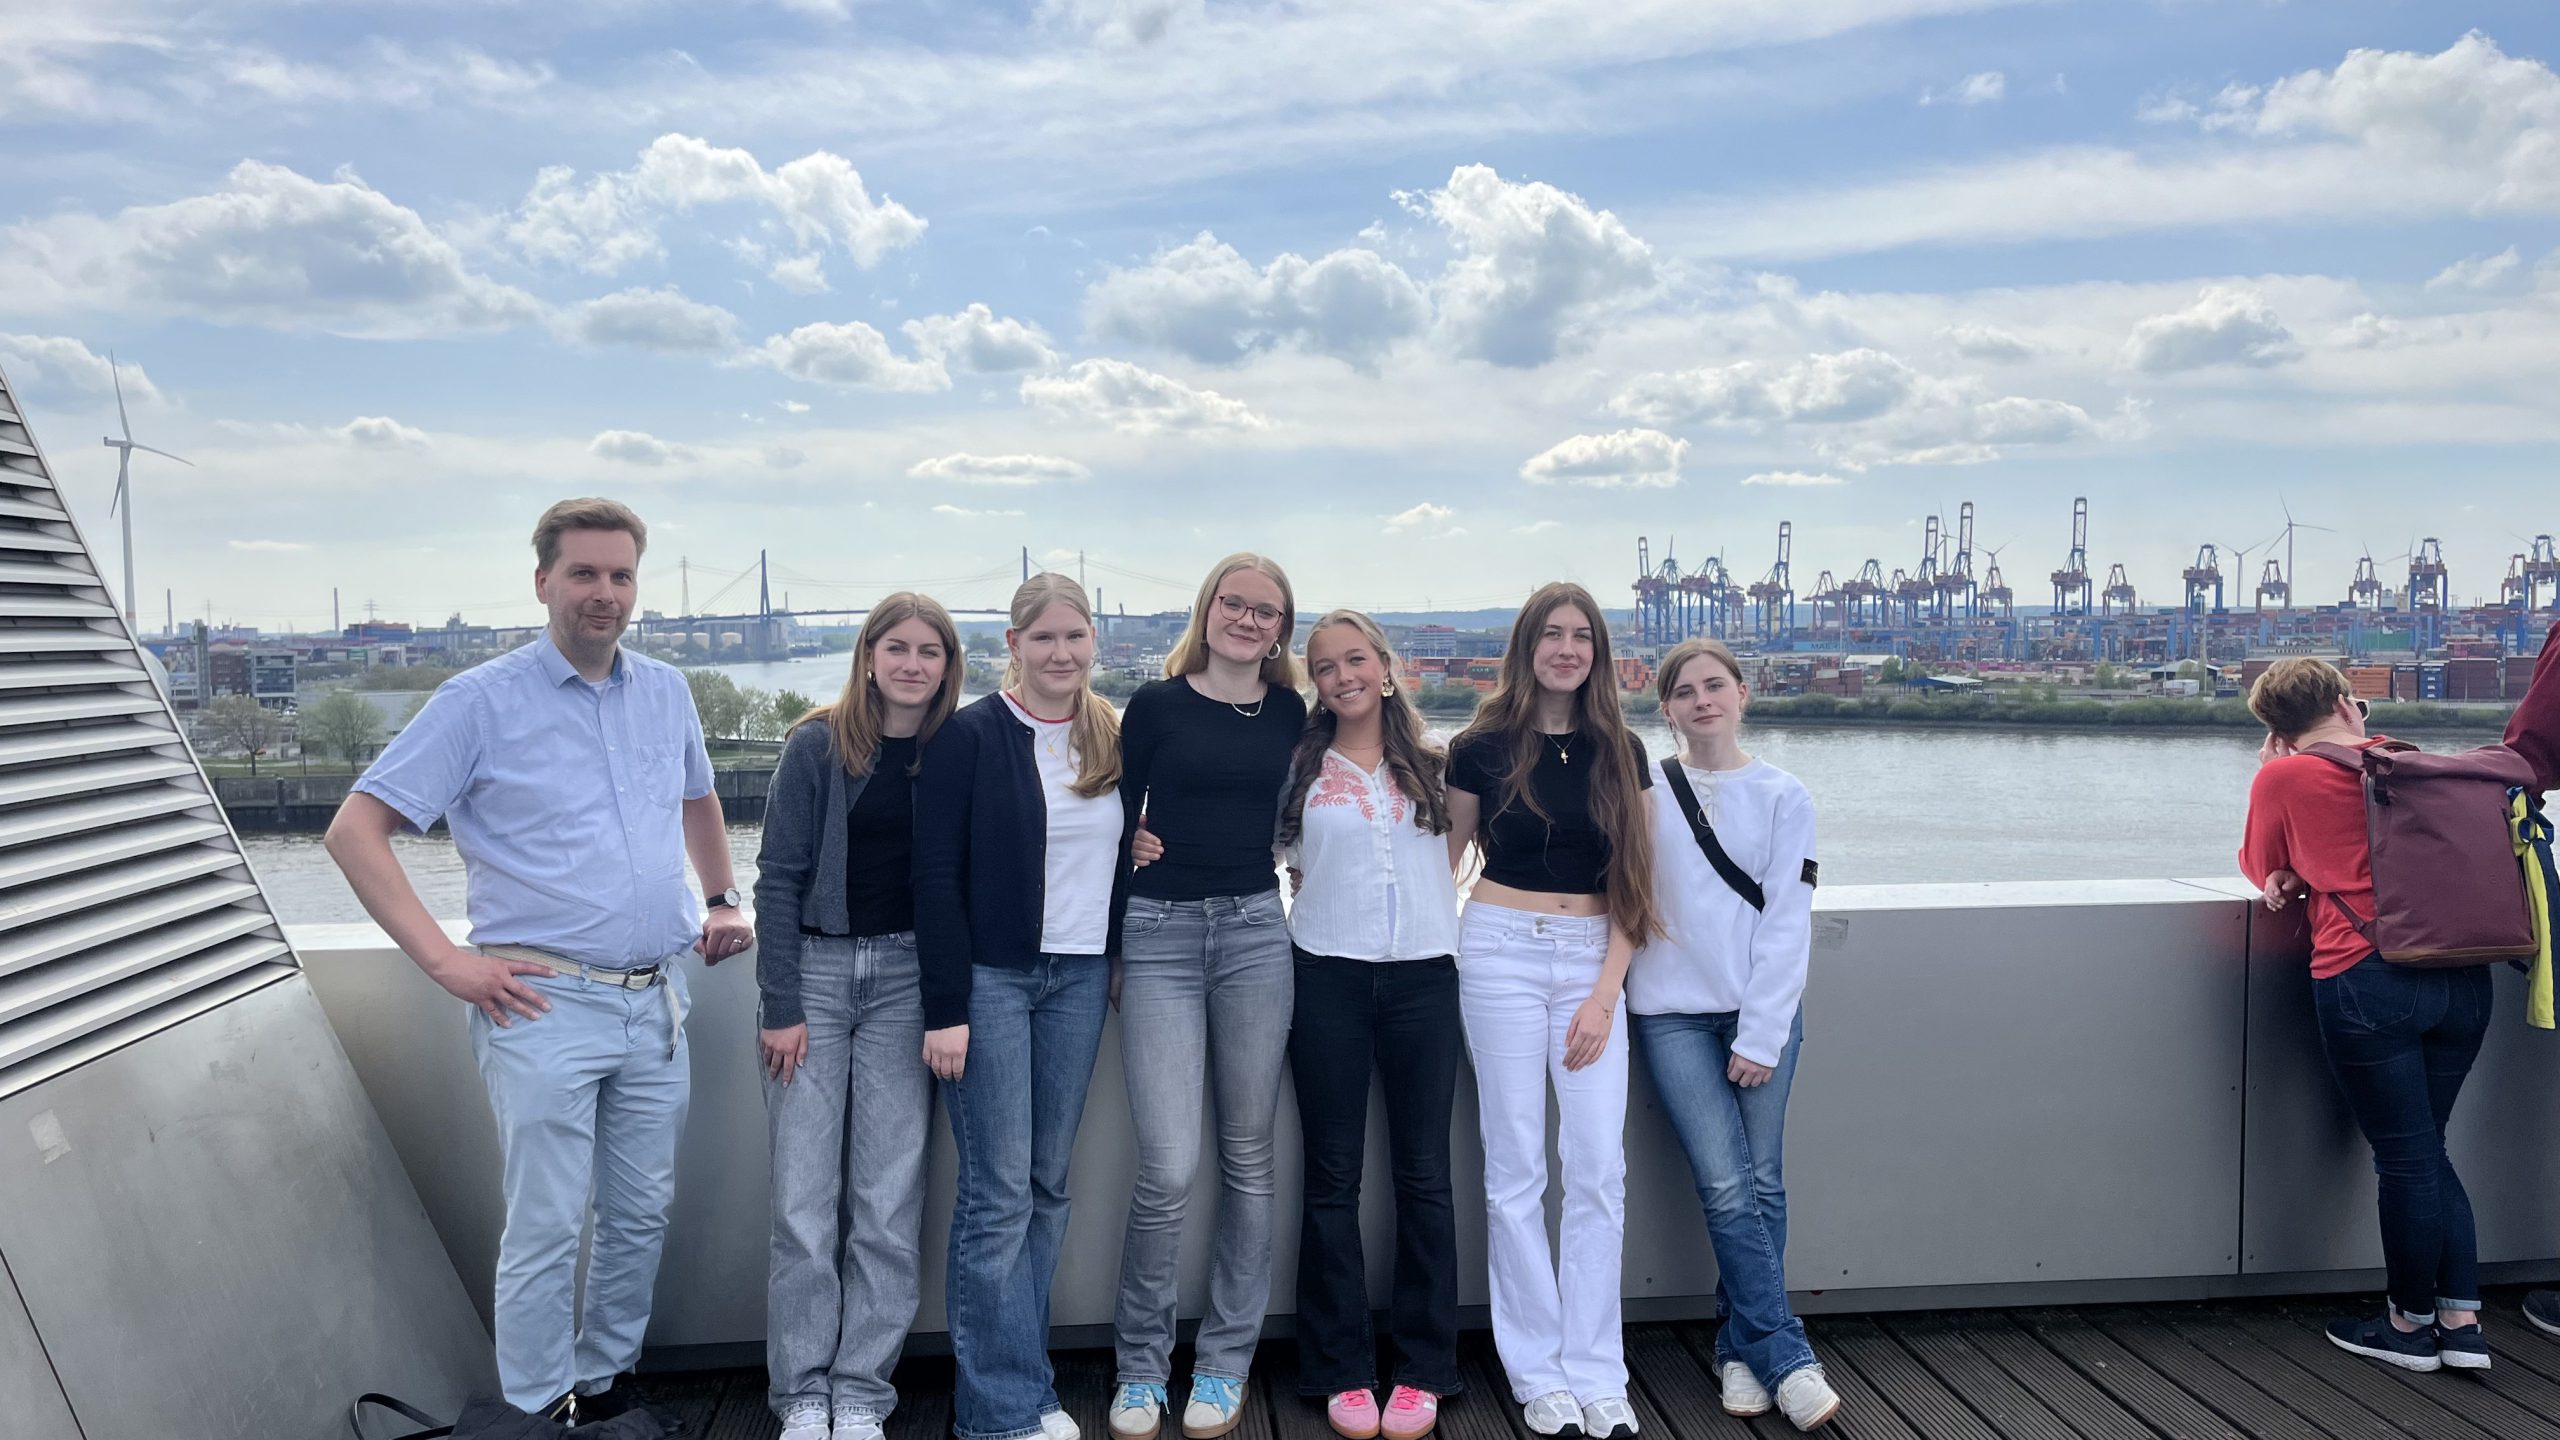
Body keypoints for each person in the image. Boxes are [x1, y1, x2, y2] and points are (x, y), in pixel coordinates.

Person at [324, 498, 753, 1427]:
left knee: (639, 1217)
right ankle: (535, 1412)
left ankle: (604, 1391)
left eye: (621, 575)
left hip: (656, 1002)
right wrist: (446, 963)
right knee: (548, 1227)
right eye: (584, 573)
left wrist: (721, 896)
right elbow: (356, 831)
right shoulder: (477, 701)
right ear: (543, 582)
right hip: (541, 1003)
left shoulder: (666, 691)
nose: (605, 593)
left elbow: (698, 796)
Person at [1443, 582, 1658, 1440]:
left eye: (1582, 636)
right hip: (1498, 952)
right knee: (1516, 1167)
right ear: (1527, 646)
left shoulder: (1622, 751)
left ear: (1597, 652)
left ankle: (1597, 1369)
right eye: (1552, 634)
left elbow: (1637, 884)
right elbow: (1438, 859)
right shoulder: (1479, 747)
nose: (1567, 649)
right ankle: (1537, 1370)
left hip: (1593, 961)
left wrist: (1606, 995)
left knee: (1598, 1168)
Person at [916, 573, 1125, 1440]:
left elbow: (1129, 847)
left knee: (1046, 1186)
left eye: (1075, 636)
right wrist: (946, 1007)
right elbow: (935, 876)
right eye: (1043, 637)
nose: (1061, 653)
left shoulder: (1110, 735)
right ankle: (997, 1410)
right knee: (998, 1194)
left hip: (1079, 979)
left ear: (1093, 641)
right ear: (1013, 645)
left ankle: (1027, 1386)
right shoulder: (970, 736)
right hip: (992, 982)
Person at [2239, 658, 2491, 1373]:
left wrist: (2281, 808)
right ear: (2349, 704)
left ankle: (2408, 1327)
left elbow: (2259, 864)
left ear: (2276, 729)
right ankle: (2462, 1325)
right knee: (2430, 1149)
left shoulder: (2285, 776)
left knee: (2407, 1158)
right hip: (2465, 974)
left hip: (2367, 977)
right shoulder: (2411, 764)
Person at [1106, 554, 1307, 1440]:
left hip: (1258, 933)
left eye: (1266, 611)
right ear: (1208, 608)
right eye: (1235, 603)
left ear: (1281, 630)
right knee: (1166, 1167)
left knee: (1249, 1159)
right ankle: (1141, 1368)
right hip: (1159, 935)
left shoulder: (1293, 712)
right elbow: (1111, 820)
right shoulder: (1155, 705)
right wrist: (1119, 923)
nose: (1248, 620)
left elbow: (1323, 803)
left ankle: (1225, 1363)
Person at [754, 593, 962, 1440]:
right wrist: (781, 1003)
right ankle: (803, 1391)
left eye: (929, 651)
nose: (912, 664)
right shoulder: (816, 745)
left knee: (887, 1200)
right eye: (897, 648)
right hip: (817, 974)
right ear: (868, 656)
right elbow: (776, 877)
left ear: (948, 665)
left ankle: (862, 1391)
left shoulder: (956, 750)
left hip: (910, 980)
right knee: (802, 1200)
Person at [1625, 640, 1839, 1432]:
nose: (1702, 700)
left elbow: (1787, 919)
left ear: (1742, 694)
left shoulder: (1785, 795)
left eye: (1715, 685)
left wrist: (1761, 1033)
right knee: (1725, 1183)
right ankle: (1786, 1352)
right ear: (1667, 708)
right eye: (1685, 692)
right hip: (1671, 1014)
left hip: (1761, 1014)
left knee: (1764, 1182)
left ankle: (1739, 1347)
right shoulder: (1644, 790)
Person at [1278, 611, 1464, 1440]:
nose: (1342, 675)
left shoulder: (1438, 766)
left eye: (1355, 659)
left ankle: (1424, 1367)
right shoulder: (1296, 769)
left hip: (1426, 979)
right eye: (1324, 666)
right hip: (1326, 977)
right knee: (1332, 1179)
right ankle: (1340, 1367)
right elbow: (1249, 852)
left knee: (1424, 1177)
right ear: (1314, 683)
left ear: (1385, 667)